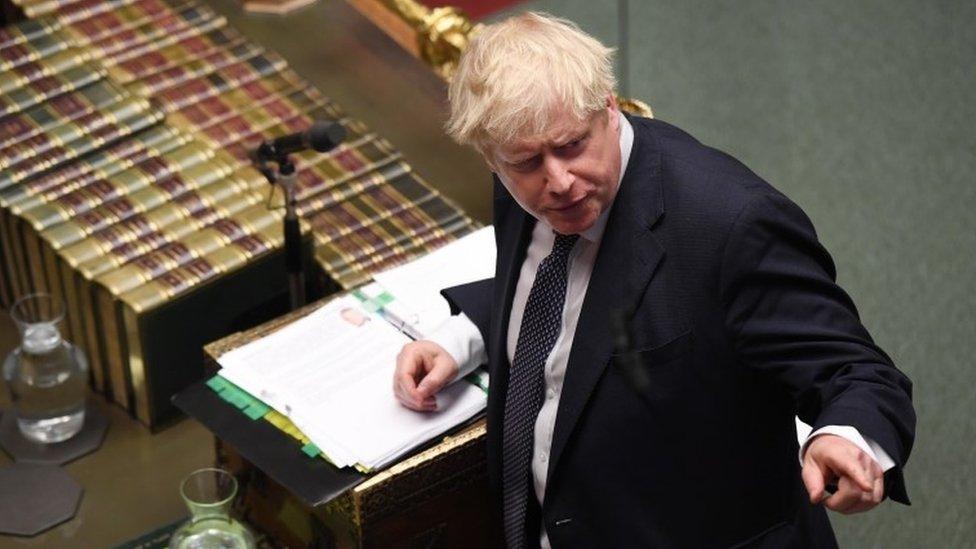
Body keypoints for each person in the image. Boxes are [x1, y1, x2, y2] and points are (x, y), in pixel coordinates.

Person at [393, 12, 915, 548]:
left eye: (572, 145)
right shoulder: (516, 183)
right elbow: (566, 293)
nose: (559, 181)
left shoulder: (733, 226)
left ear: (608, 109)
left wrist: (848, 438)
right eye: (526, 162)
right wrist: (467, 336)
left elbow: (858, 371)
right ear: (493, 158)